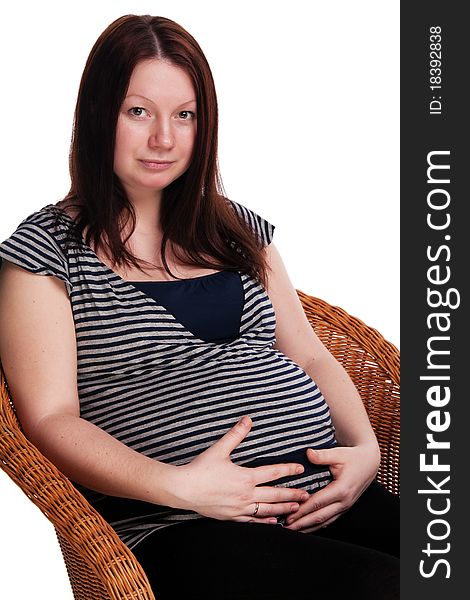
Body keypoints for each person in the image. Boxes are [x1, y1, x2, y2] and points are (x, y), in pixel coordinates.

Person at [0, 14, 399, 600]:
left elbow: (309, 354)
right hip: (182, 523)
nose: (164, 138)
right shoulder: (46, 251)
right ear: (95, 116)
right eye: (138, 112)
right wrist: (181, 487)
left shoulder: (233, 227)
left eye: (184, 115)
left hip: (325, 496)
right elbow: (50, 418)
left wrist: (364, 450)